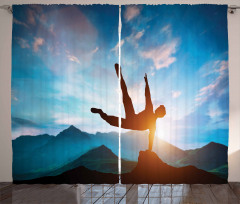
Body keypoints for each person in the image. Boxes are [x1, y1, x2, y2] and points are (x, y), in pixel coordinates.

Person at [91, 64, 166, 151]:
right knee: (125, 94)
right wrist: (146, 84)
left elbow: (151, 138)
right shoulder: (151, 117)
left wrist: (149, 150)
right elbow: (147, 96)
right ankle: (120, 75)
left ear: (159, 113)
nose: (157, 109)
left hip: (128, 123)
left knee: (110, 119)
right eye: (159, 109)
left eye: (159, 110)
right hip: (131, 117)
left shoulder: (152, 123)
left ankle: (100, 112)